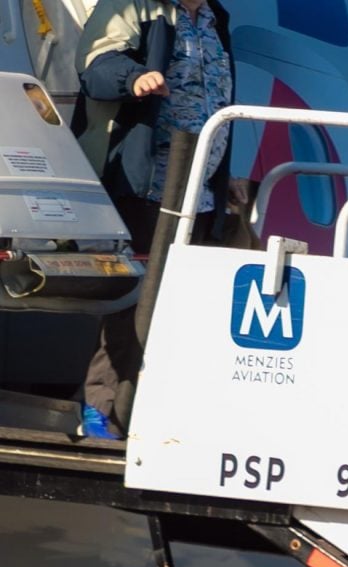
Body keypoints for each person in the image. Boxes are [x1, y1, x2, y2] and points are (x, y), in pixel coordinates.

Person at [71, 0, 234, 440]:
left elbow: (215, 102)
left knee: (179, 309)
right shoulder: (135, 6)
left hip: (199, 190)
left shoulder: (215, 18)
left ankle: (153, 415)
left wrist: (225, 176)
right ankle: (101, 413)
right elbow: (95, 67)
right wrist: (134, 77)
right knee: (132, 306)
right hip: (145, 183)